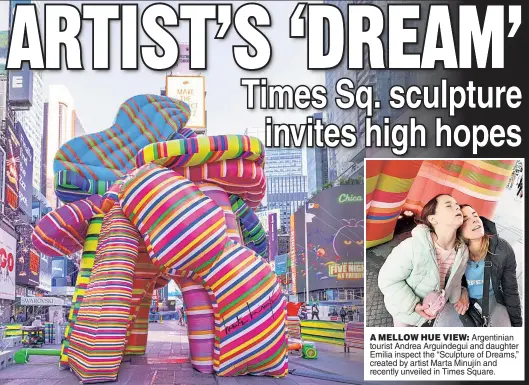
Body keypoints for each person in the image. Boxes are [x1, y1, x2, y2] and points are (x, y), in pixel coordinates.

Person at [378, 194, 469, 327]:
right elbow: (387, 280)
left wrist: (457, 299)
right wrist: (413, 305)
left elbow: (455, 281)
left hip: (434, 314)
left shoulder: (462, 252)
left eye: (457, 206)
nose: (457, 208)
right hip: (405, 314)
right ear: (433, 219)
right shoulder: (412, 246)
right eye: (449, 205)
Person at [435, 205, 522, 327]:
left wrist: (517, 326)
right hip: (459, 299)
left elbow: (511, 290)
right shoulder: (453, 252)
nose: (475, 219)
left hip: (492, 297)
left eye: (475, 215)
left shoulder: (503, 250)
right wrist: (461, 290)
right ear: (457, 229)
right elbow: (442, 283)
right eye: (466, 219)